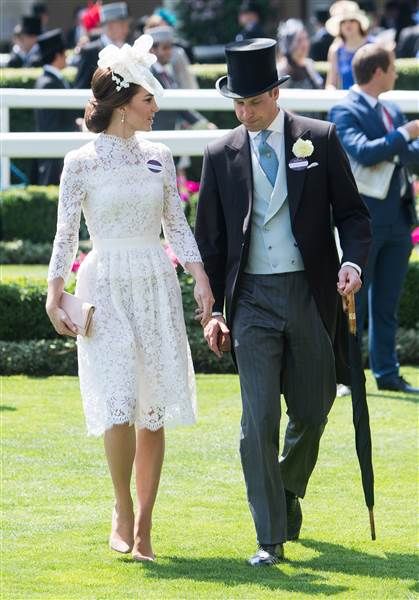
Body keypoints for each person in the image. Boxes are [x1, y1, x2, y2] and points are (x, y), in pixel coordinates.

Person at [195, 38, 371, 566]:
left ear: (275, 93)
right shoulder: (218, 154)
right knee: (259, 417)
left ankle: (288, 485)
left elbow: (355, 218)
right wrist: (216, 312)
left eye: (252, 102)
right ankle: (269, 537)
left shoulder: (319, 139)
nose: (244, 113)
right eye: (237, 104)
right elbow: (211, 241)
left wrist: (352, 263)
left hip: (309, 292)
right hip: (250, 298)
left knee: (315, 409)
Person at [46, 34, 214, 561]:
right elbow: (65, 236)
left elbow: (178, 228)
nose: (156, 108)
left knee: (153, 408)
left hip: (154, 281)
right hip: (104, 283)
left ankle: (144, 524)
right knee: (116, 401)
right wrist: (55, 295)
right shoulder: (81, 162)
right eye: (148, 100)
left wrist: (201, 278)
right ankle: (121, 509)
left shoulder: (161, 156)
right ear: (121, 104)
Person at [329, 43, 419, 394]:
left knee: (387, 305)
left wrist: (399, 142)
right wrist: (402, 136)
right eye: (392, 67)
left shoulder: (391, 109)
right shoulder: (343, 110)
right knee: (353, 302)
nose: (395, 72)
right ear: (378, 71)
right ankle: (346, 374)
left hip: (398, 218)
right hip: (363, 222)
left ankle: (387, 373)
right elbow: (364, 152)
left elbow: (408, 154)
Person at [34, 29, 79, 185]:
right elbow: (50, 125)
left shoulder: (53, 80)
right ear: (57, 56)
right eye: (64, 53)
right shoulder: (48, 83)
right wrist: (76, 126)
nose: (67, 56)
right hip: (54, 158)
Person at [74, 1, 131, 89]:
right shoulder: (90, 52)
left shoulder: (128, 50)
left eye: (127, 25)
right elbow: (80, 87)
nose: (127, 30)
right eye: (122, 25)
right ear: (110, 26)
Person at [277, 19, 324, 119]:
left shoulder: (309, 64)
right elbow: (279, 104)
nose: (304, 44)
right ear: (288, 43)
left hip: (316, 124)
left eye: (305, 39)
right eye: (299, 40)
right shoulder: (282, 69)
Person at [325, 2, 370, 89]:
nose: (348, 24)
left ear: (359, 23)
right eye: (343, 22)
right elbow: (331, 83)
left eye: (352, 20)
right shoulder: (335, 50)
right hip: (346, 99)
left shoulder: (372, 45)